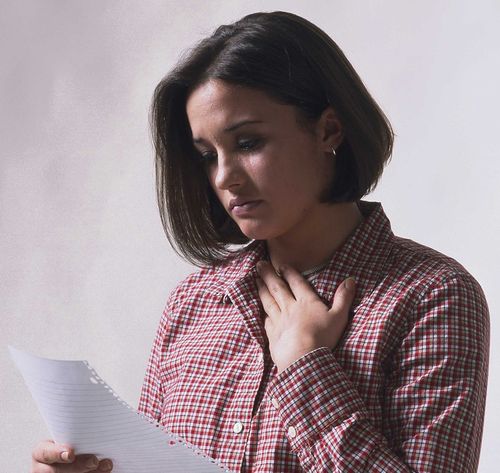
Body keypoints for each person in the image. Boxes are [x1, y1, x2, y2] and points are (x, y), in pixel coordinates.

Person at [31, 10, 489, 473]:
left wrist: (306, 366)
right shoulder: (194, 303)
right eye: (208, 156)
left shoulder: (432, 296)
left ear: (328, 129)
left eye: (248, 143)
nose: (225, 177)